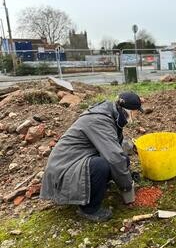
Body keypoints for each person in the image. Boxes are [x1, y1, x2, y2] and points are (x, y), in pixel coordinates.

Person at [40, 92, 144, 222]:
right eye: (136, 112)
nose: (137, 115)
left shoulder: (111, 115)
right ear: (128, 111)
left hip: (76, 161)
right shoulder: (100, 120)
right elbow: (114, 158)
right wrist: (127, 186)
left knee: (121, 159)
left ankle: (95, 188)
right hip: (63, 171)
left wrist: (127, 170)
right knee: (101, 165)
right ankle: (89, 209)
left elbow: (116, 149)